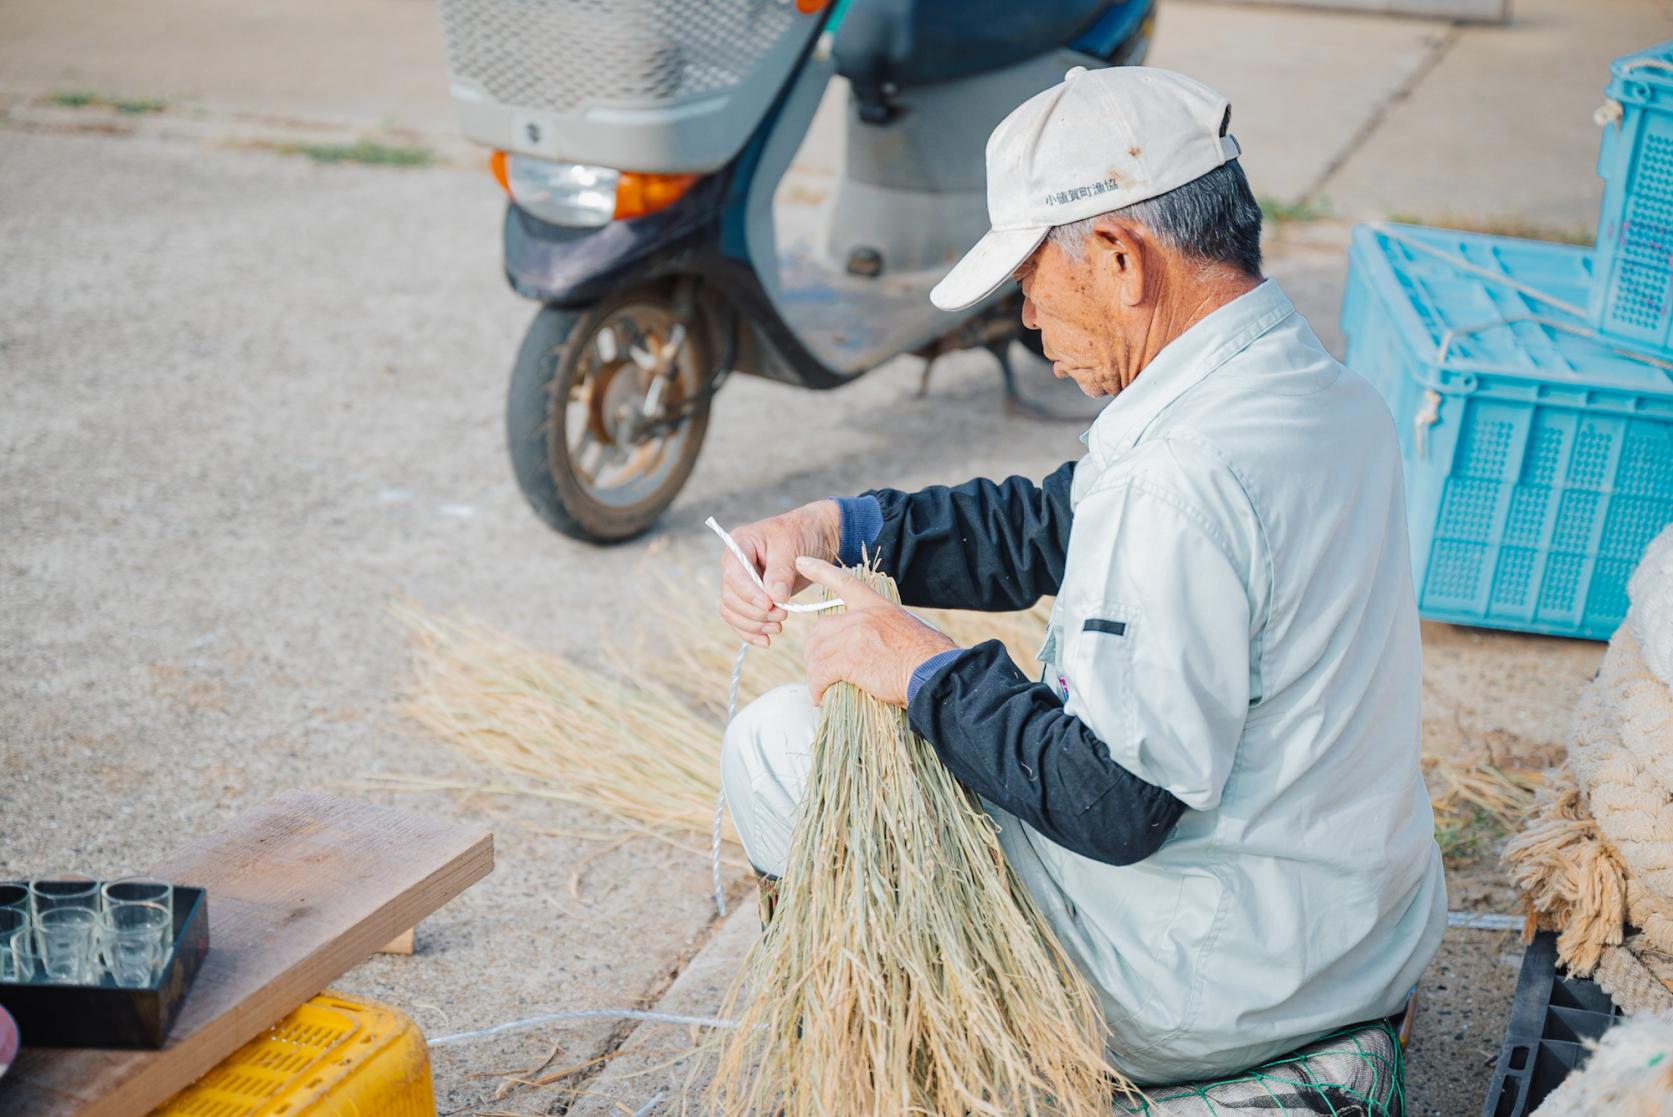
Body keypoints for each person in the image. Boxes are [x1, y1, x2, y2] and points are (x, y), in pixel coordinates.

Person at [716, 64, 1446, 1085]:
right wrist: (837, 526)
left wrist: (923, 668)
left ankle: (896, 1065)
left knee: (775, 746)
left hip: (1203, 983)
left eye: (1026, 276)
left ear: (1116, 259)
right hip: (1354, 931)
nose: (1023, 316)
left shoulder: (1179, 478)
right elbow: (1050, 520)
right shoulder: (1310, 394)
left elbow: (1113, 801)